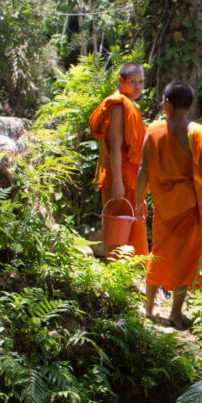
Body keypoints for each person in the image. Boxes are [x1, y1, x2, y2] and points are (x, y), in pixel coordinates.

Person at [136, 80, 202, 329]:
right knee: (187, 258)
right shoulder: (197, 132)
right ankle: (175, 313)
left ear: (167, 103)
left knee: (158, 252)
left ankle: (150, 308)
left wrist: (140, 199)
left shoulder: (152, 130)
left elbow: (143, 169)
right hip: (189, 206)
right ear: (190, 104)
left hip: (163, 205)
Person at [89, 61, 149, 260]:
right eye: (133, 82)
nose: (138, 87)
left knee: (134, 227)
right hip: (120, 176)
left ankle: (129, 279)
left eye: (141, 82)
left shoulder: (129, 105)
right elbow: (115, 146)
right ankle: (116, 280)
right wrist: (117, 183)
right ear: (120, 81)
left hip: (130, 176)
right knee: (119, 230)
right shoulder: (118, 106)